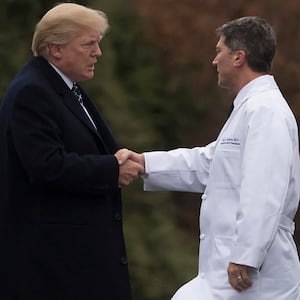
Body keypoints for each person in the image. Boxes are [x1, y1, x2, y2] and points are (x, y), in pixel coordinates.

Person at [116, 16, 300, 299]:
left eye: (219, 51)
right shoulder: (249, 109)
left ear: (238, 58)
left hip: (254, 276)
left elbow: (264, 190)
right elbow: (209, 164)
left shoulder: (266, 112)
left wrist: (246, 254)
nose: (214, 61)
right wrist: (145, 164)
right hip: (228, 272)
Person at [0, 3, 143, 300]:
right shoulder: (33, 92)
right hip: (54, 271)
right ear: (56, 49)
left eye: (98, 43)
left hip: (75, 264)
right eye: (89, 44)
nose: (98, 53)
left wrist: (118, 159)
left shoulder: (64, 87)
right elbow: (45, 165)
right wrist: (111, 169)